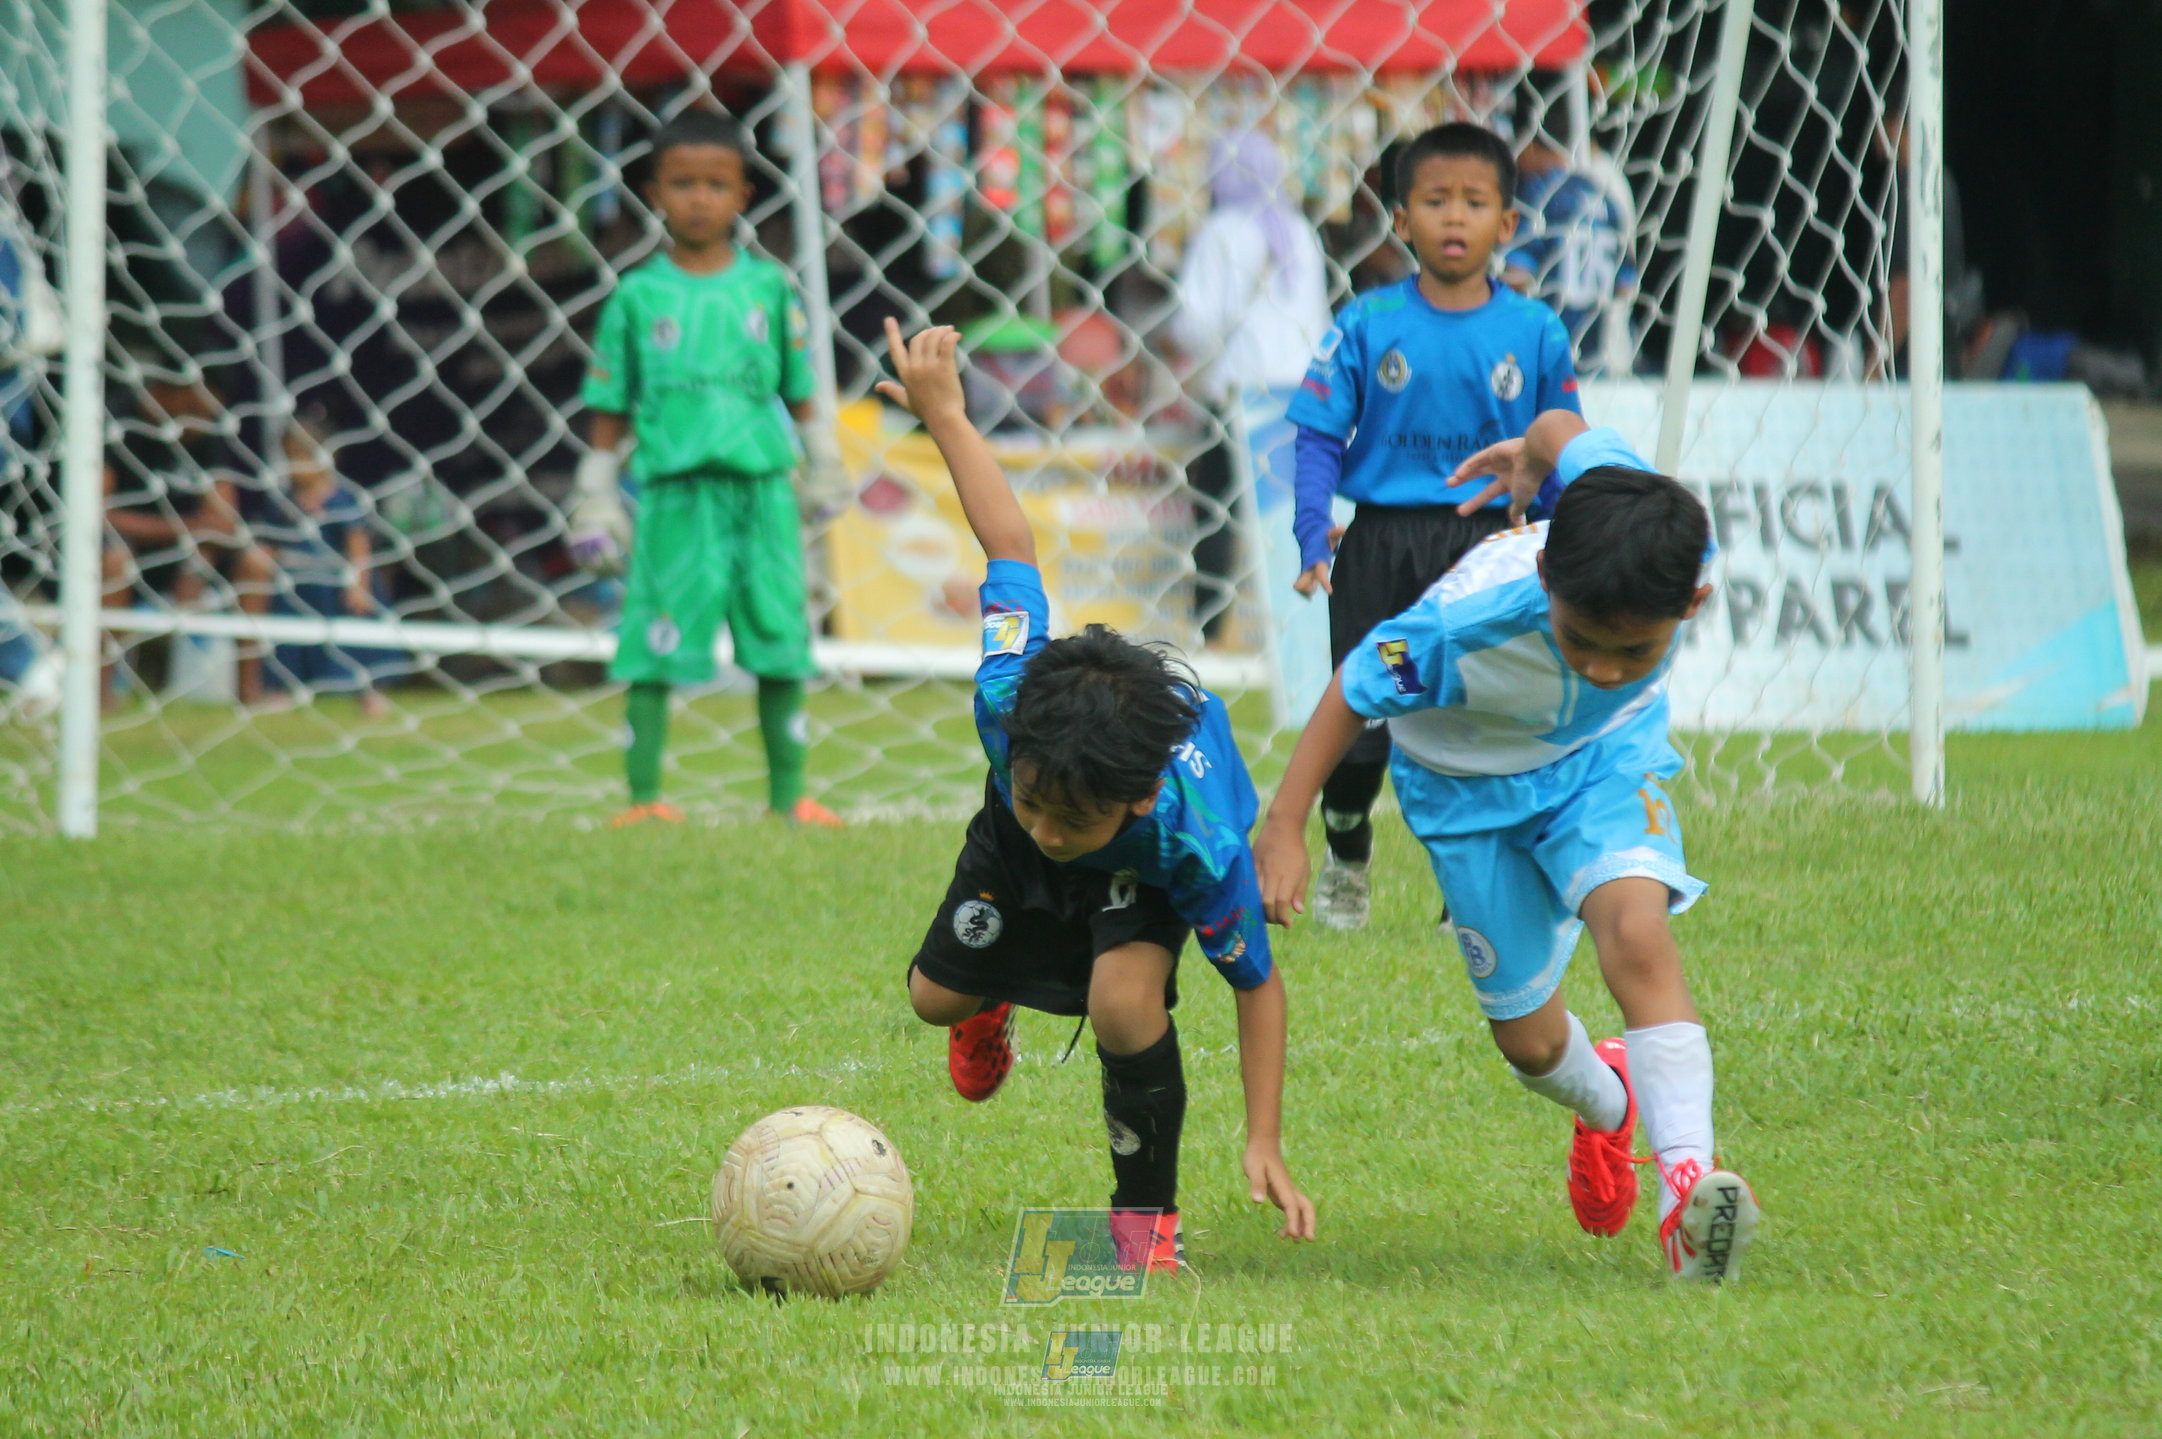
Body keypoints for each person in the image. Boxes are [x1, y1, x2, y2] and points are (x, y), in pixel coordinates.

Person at [1256, 409, 1759, 1282]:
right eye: (1580, 642)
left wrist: (1533, 455)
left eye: (1633, 649)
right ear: (1542, 578)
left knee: (1638, 931)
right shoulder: (1465, 625)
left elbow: (1566, 426)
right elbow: (1354, 687)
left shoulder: (1666, 545)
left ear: (1695, 600)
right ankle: (1609, 1104)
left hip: (1602, 762)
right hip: (1462, 791)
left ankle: (1687, 1191)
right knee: (1527, 1043)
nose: (1602, 668)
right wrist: (1286, 823)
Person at [876, 317, 1315, 1271]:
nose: (1045, 827)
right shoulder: (1009, 699)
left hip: (1138, 870)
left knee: (1124, 1002)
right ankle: (993, 997)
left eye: (1066, 817)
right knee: (931, 998)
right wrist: (945, 412)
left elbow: (1257, 985)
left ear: (1140, 795)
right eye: (1031, 797)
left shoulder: (1190, 841)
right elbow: (1009, 539)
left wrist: (1264, 1136)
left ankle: (1144, 1222)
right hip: (1051, 827)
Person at [1285, 122, 1580, 930]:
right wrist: (1314, 532)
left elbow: (1559, 446)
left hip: (1487, 545)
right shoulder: (1366, 323)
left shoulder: (1535, 332)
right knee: (1362, 726)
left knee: (1476, 720)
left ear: (1507, 224)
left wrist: (1563, 544)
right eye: (1435, 200)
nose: (1456, 217)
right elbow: (1315, 434)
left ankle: (1467, 890)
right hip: (1379, 543)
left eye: (1475, 201)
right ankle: (1347, 853)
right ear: (1402, 219)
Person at [569, 110, 852, 828]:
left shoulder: (768, 288)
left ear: (744, 194)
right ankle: (643, 799)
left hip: (762, 489)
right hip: (673, 493)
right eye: (683, 183)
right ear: (654, 191)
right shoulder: (637, 296)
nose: (700, 198)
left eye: (716, 184)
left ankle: (790, 796)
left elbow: (800, 386)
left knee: (781, 637)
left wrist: (823, 458)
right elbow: (611, 401)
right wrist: (595, 488)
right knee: (652, 640)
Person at [1171, 132, 1332, 645]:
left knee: (1218, 506)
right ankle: (1298, 627)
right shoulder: (1300, 230)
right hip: (1303, 390)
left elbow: (1194, 322)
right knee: (1295, 506)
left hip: (1242, 390)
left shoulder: (1221, 231)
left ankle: (1209, 624)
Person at [255, 412, 394, 718]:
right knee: (287, 641)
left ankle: (370, 694)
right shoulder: (285, 501)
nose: (295, 466)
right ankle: (280, 690)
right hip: (298, 586)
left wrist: (360, 585)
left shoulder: (343, 499)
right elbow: (270, 541)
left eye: (302, 456)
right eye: (290, 457)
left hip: (337, 585)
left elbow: (358, 545)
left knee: (359, 642)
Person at [1502, 103, 1639, 373]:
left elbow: (1517, 275)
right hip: (1595, 356)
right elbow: (1626, 284)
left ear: (1529, 144)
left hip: (1546, 357)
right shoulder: (1603, 196)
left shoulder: (1538, 193)